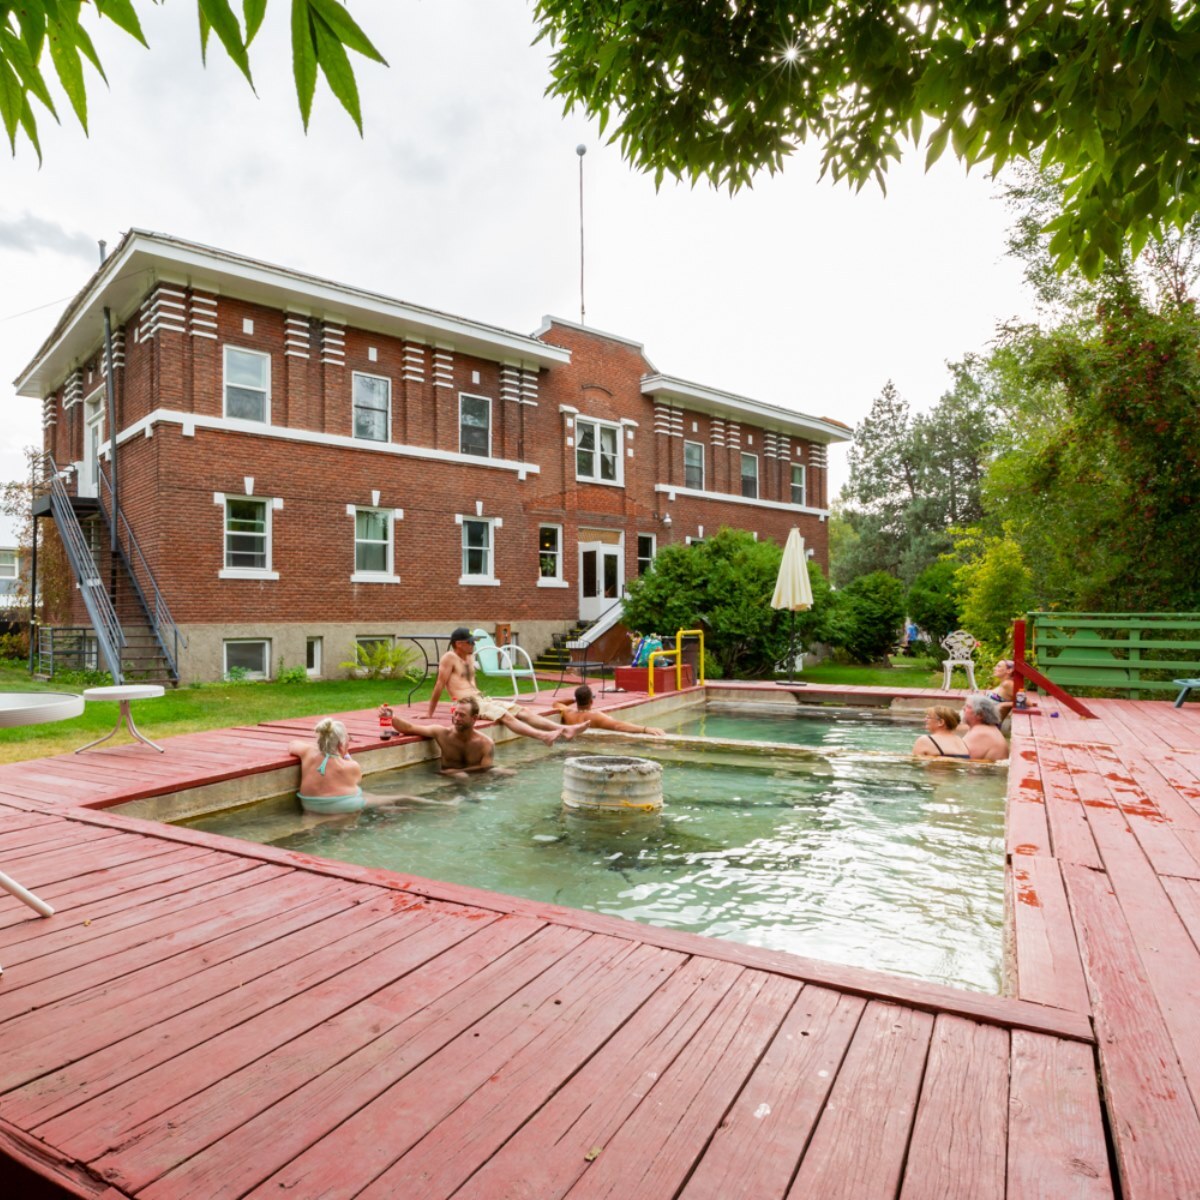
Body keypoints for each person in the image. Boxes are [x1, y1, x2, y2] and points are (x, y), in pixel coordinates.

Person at [427, 627, 587, 746]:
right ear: (459, 644)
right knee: (505, 715)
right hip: (466, 704)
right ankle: (543, 736)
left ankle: (564, 729)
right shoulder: (449, 658)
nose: (473, 645)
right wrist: (429, 713)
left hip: (480, 700)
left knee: (522, 710)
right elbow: (439, 685)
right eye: (470, 642)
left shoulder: (469, 657)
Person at [288, 718, 405, 814]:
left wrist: (316, 747)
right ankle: (411, 804)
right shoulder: (350, 766)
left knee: (370, 798)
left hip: (310, 805)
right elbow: (356, 782)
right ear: (341, 744)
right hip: (342, 806)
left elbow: (292, 744)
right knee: (396, 799)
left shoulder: (308, 752)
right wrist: (347, 756)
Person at [384, 693, 514, 778]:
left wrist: (460, 772)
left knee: (507, 772)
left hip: (471, 778)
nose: (457, 718)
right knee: (461, 777)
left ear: (474, 718)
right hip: (449, 777)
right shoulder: (442, 733)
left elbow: (485, 769)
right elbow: (409, 728)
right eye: (455, 714)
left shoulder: (486, 743)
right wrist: (392, 717)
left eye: (462, 715)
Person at [554, 684, 666, 736]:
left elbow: (556, 703)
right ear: (591, 701)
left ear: (577, 700)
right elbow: (618, 726)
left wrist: (574, 699)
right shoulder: (595, 717)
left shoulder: (567, 713)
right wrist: (645, 729)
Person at [961, 694, 1008, 761]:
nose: (963, 708)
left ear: (979, 715)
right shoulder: (987, 729)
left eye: (968, 706)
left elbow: (961, 758)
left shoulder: (981, 732)